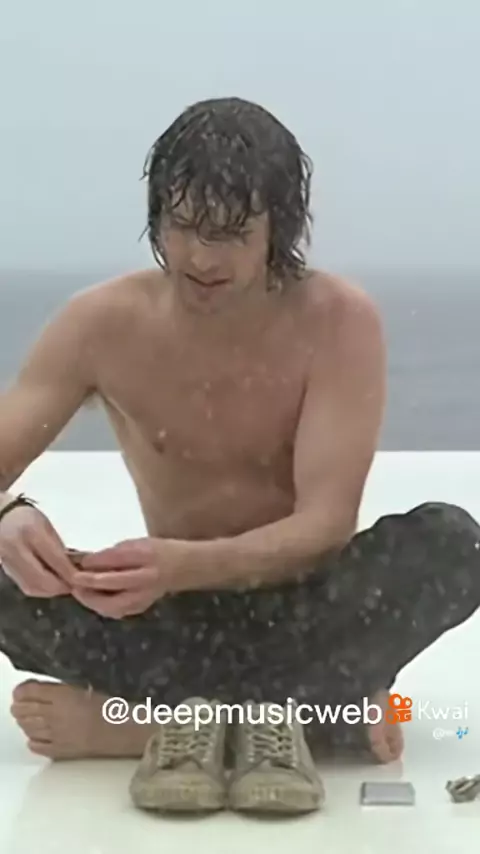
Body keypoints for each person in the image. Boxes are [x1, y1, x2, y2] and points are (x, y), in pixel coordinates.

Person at [0, 97, 479, 812]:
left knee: (453, 543)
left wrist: (181, 564)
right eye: (183, 226)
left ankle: (140, 725)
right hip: (160, 623)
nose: (201, 257)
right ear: (155, 217)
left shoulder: (338, 322)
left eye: (230, 234)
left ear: (279, 227)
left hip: (302, 612)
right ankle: (311, 719)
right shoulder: (100, 324)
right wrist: (11, 514)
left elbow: (325, 525)